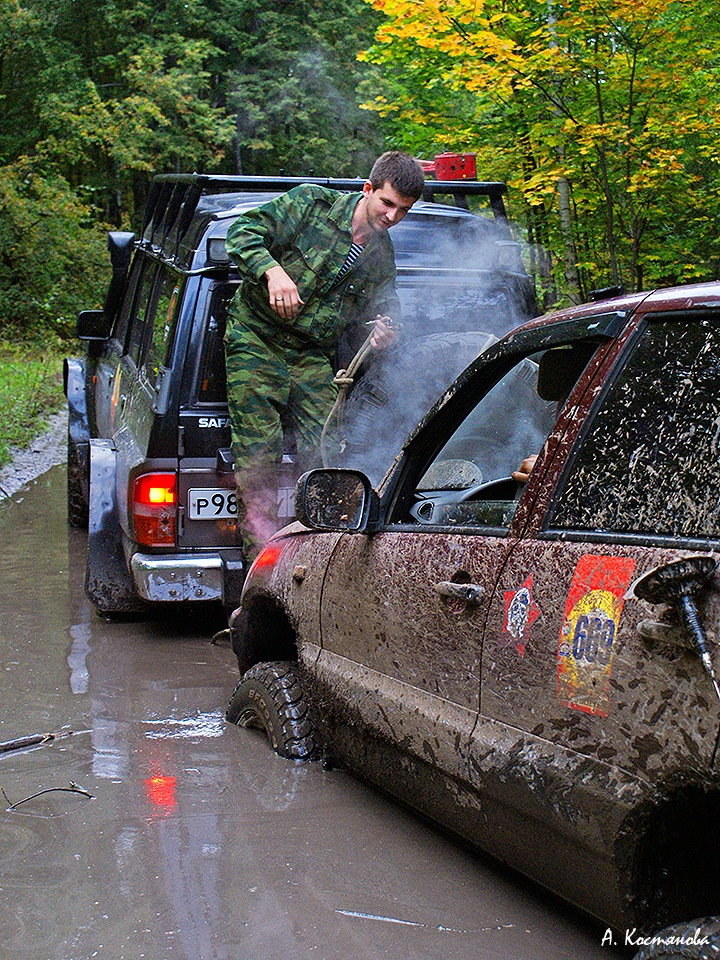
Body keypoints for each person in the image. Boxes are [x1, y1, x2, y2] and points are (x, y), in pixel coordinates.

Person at [224, 150, 426, 560]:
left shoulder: (380, 254)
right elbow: (242, 232)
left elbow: (387, 304)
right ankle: (258, 566)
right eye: (387, 203)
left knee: (328, 451)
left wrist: (387, 328)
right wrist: (272, 271)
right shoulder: (308, 205)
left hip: (310, 353)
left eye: (403, 211)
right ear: (367, 189)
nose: (391, 217)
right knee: (259, 454)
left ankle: (315, 559)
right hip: (256, 338)